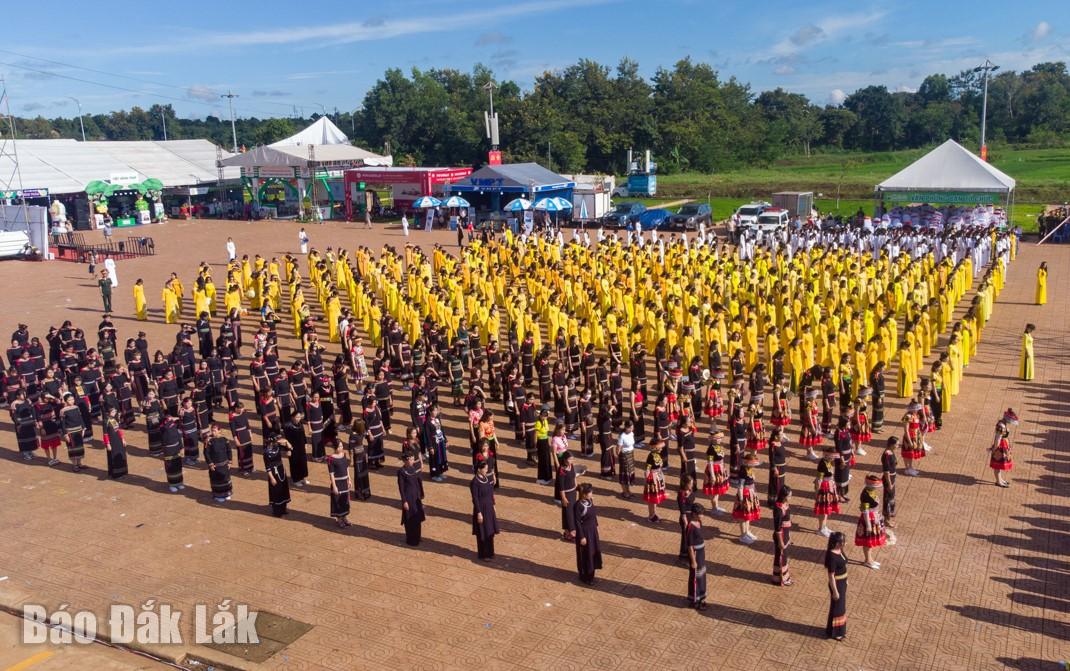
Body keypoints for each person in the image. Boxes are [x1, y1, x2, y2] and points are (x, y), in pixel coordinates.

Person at [470, 459, 499, 561]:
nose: (487, 470)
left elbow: (491, 492)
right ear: (479, 469)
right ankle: (484, 554)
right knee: (483, 532)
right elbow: (475, 498)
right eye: (485, 468)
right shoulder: (475, 482)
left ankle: (490, 552)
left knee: (490, 530)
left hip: (489, 508)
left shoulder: (486, 478)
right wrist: (479, 513)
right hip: (481, 509)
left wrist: (493, 505)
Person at [574, 482, 602, 585]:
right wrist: (581, 537)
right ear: (584, 494)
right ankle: (584, 576)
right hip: (585, 533)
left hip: (592, 531)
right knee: (586, 555)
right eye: (590, 491)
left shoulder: (590, 501)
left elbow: (593, 515)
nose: (592, 493)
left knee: (593, 552)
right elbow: (577, 522)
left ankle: (591, 575)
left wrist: (596, 525)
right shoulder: (578, 505)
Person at [397, 448, 425, 546]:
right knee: (409, 519)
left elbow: (418, 482)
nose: (413, 461)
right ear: (406, 460)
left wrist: (421, 495)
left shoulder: (413, 468)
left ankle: (418, 536)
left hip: (416, 497)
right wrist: (404, 501)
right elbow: (401, 488)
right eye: (411, 459)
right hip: (408, 498)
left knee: (417, 517)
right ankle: (410, 538)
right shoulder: (401, 472)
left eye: (413, 459)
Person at [825, 531, 849, 640]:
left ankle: (832, 630)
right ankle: (837, 632)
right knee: (838, 608)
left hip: (843, 582)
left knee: (840, 606)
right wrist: (835, 591)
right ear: (836, 543)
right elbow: (831, 575)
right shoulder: (832, 556)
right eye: (841, 541)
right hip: (837, 584)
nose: (843, 543)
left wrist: (846, 580)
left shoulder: (840, 551)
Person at [685, 502, 708, 610]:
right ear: (694, 514)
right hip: (695, 553)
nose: (702, 516)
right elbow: (689, 546)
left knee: (702, 575)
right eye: (700, 514)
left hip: (701, 552)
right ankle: (695, 600)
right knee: (695, 577)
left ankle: (702, 596)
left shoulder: (699, 522)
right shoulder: (690, 527)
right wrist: (693, 561)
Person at [204, 424, 233, 503]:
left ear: (219, 431)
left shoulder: (225, 440)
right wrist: (210, 464)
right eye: (212, 431)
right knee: (217, 481)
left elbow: (229, 451)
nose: (213, 432)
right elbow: (206, 453)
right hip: (215, 466)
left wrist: (230, 461)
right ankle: (218, 495)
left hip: (224, 465)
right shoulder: (209, 441)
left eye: (214, 431)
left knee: (225, 479)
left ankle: (227, 494)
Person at [702, 429, 729, 513]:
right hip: (714, 470)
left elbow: (722, 459)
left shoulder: (719, 447)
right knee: (714, 490)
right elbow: (710, 463)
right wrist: (713, 475)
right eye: (718, 438)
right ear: (713, 439)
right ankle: (714, 508)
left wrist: (724, 469)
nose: (720, 440)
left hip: (720, 469)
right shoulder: (710, 449)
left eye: (720, 438)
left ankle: (716, 506)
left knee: (717, 490)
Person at [772, 485, 793, 586]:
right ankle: (780, 578)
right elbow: (777, 528)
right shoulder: (778, 509)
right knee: (781, 556)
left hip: (786, 534)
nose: (790, 497)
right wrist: (780, 541)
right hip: (781, 535)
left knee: (784, 555)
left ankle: (783, 576)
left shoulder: (785, 504)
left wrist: (788, 535)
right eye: (789, 495)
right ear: (784, 496)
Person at [265, 438, 291, 516]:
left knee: (283, 489)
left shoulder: (278, 447)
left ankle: (283, 509)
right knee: (276, 491)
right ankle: (277, 511)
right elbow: (267, 467)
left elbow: (290, 449)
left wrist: (287, 441)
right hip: (274, 472)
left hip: (281, 470)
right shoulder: (266, 453)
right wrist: (272, 478)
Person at [732, 470, 760, 543]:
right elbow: (740, 487)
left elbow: (752, 481)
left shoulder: (750, 470)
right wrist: (741, 500)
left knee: (748, 515)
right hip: (744, 496)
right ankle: (742, 535)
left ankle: (747, 532)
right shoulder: (743, 472)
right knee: (742, 516)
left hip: (750, 494)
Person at [328, 441, 351, 527]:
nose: (341, 448)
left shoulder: (344, 455)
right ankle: (339, 519)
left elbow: (346, 467)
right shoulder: (331, 459)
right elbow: (331, 474)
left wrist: (349, 479)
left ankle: (344, 517)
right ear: (334, 448)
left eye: (341, 446)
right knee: (337, 501)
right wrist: (334, 486)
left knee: (345, 500)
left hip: (345, 482)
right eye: (339, 447)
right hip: (337, 483)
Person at [101, 407, 128, 479]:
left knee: (121, 454)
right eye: (113, 412)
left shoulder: (115, 419)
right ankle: (115, 474)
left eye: (115, 411)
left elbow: (119, 430)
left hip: (118, 440)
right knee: (113, 456)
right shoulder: (105, 421)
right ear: (108, 413)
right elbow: (105, 434)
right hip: (112, 441)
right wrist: (107, 444)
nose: (114, 413)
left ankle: (122, 472)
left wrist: (123, 439)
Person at [556, 450, 578, 540]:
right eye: (570, 459)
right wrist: (563, 498)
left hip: (573, 492)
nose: (572, 460)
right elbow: (561, 486)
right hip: (567, 494)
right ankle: (570, 531)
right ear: (565, 460)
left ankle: (568, 531)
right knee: (568, 513)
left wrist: (576, 486)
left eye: (572, 459)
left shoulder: (571, 466)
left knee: (572, 512)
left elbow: (574, 476)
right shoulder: (561, 470)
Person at [989, 418, 1013, 487]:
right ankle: (998, 481)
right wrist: (994, 449)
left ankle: (1000, 479)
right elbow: (997, 441)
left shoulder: (1001, 428)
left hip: (1002, 449)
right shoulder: (1001, 428)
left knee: (998, 466)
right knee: (997, 466)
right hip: (1000, 450)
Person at [616, 419, 636, 498]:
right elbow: (618, 449)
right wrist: (620, 457)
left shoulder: (631, 433)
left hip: (630, 455)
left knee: (629, 473)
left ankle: (628, 491)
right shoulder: (622, 436)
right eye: (630, 428)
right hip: (624, 456)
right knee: (625, 474)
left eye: (632, 427)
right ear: (626, 427)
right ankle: (625, 492)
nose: (631, 429)